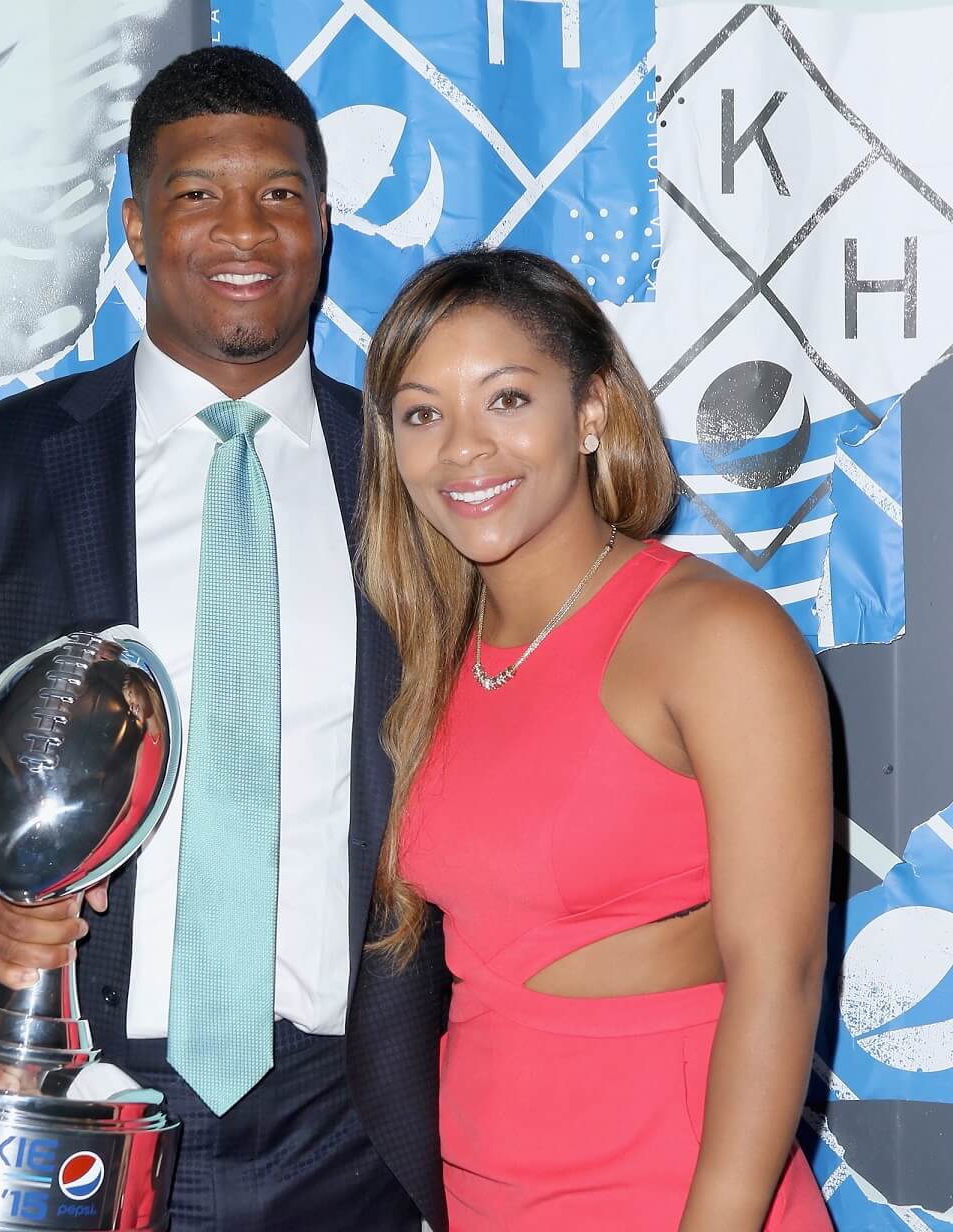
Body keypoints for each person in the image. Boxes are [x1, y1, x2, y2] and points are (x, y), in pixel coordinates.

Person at [0, 46, 448, 1232]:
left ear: (325, 224)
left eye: (280, 193)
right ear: (137, 226)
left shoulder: (419, 480)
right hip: (73, 1097)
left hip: (353, 1115)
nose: (244, 227)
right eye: (198, 193)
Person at [358, 247, 833, 1231]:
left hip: (675, 1188)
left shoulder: (715, 638)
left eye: (506, 399)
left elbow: (778, 972)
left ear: (589, 410)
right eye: (421, 413)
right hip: (485, 1188)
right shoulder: (431, 661)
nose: (462, 449)